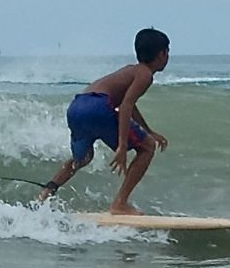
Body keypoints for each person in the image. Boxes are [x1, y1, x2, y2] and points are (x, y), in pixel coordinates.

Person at [37, 28, 171, 215]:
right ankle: (120, 204)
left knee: (81, 159)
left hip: (78, 107)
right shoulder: (145, 74)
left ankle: (46, 193)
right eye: (167, 51)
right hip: (98, 107)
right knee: (147, 148)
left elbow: (130, 105)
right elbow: (125, 106)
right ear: (162, 53)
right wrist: (122, 146)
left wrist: (148, 130)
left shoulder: (129, 70)